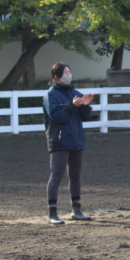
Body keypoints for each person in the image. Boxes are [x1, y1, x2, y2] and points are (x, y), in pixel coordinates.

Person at [43, 62, 94, 224]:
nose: (68, 75)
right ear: (56, 77)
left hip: (76, 139)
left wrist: (86, 107)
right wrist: (73, 106)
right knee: (57, 175)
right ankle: (52, 212)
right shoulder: (51, 95)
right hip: (59, 140)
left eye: (69, 72)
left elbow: (85, 116)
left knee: (75, 175)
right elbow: (57, 117)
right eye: (65, 73)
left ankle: (76, 210)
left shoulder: (75, 92)